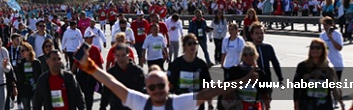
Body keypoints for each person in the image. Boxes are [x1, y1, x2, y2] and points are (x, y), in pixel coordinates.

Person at [75, 46, 258, 110]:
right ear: (146, 89)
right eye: (152, 88)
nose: (157, 91)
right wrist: (90, 67)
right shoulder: (140, 102)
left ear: (169, 86)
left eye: (160, 86)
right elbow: (111, 83)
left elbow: (213, 90)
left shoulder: (179, 104)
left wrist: (244, 80)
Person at [292, 38, 344, 110]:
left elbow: (335, 87)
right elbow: (296, 87)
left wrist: (341, 102)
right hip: (306, 104)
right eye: (312, 47)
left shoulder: (328, 67)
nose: (314, 50)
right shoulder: (302, 66)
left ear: (323, 50)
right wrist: (296, 105)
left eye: (318, 48)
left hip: (324, 104)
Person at [166, 34, 211, 110]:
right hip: (180, 104)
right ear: (184, 46)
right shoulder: (176, 64)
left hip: (197, 104)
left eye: (195, 43)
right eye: (189, 44)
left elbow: (207, 86)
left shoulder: (201, 64)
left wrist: (210, 105)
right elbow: (170, 85)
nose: (193, 46)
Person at [221, 42, 265, 110]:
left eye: (251, 54)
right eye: (245, 54)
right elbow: (225, 89)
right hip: (238, 106)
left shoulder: (259, 72)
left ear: (255, 55)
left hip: (254, 106)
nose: (248, 57)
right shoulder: (235, 71)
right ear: (242, 56)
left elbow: (265, 93)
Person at [100, 43, 145, 110]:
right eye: (118, 55)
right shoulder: (111, 73)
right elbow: (106, 93)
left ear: (128, 55)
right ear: (115, 56)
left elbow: (144, 93)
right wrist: (102, 107)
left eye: (123, 55)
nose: (121, 58)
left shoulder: (137, 72)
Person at [249, 22, 283, 110]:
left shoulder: (268, 48)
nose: (259, 35)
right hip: (253, 83)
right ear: (252, 35)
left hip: (267, 82)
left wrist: (280, 78)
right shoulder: (248, 48)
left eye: (261, 33)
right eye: (257, 33)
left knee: (266, 104)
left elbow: (275, 63)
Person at [71, 31, 104, 110]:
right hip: (82, 75)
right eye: (90, 38)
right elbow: (75, 64)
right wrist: (71, 75)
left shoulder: (95, 49)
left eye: (92, 38)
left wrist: (101, 76)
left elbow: (99, 63)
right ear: (85, 38)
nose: (92, 39)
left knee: (89, 95)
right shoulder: (81, 49)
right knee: (80, 95)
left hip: (92, 74)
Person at [15, 42, 42, 110]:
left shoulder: (36, 62)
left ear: (29, 50)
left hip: (34, 88)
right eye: (21, 51)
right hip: (24, 89)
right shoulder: (20, 63)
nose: (22, 52)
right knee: (26, 107)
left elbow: (40, 75)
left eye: (23, 50)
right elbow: (18, 77)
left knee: (36, 106)